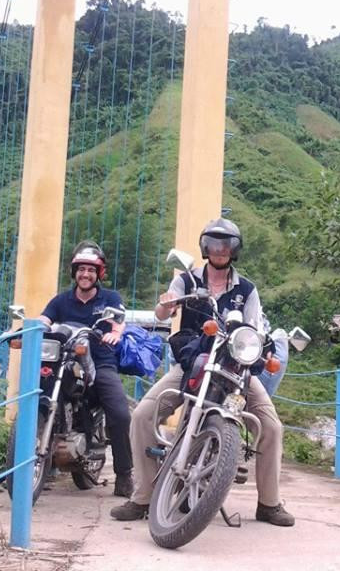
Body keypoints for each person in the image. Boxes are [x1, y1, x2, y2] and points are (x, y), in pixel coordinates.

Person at [110, 219, 295, 526]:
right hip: (193, 363)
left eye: (226, 244)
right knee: (142, 415)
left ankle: (269, 503)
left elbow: (255, 326)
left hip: (234, 367)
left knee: (272, 428)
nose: (220, 249)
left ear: (234, 249)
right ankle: (142, 497)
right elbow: (164, 311)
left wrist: (263, 345)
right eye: (214, 243)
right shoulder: (186, 280)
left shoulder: (247, 289)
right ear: (205, 247)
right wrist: (165, 305)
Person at [40, 240, 134, 498]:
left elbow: (119, 321)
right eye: (81, 269)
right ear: (74, 272)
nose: (85, 274)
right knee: (39, 395)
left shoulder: (110, 299)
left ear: (99, 273)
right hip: (65, 363)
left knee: (120, 414)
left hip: (100, 363)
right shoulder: (61, 300)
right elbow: (44, 320)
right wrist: (28, 329)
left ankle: (124, 474)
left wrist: (115, 333)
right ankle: (34, 466)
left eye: (91, 270)